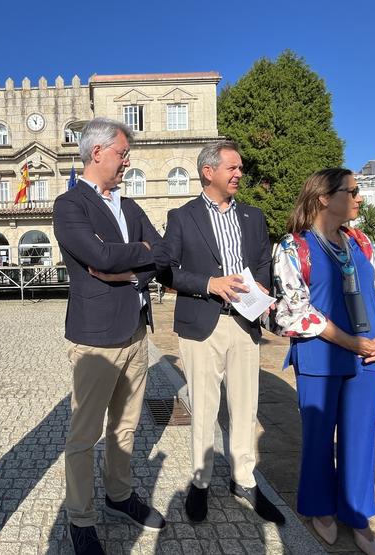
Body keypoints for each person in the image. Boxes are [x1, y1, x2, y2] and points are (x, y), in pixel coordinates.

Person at [272, 168, 375, 555]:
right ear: (325, 197)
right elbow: (293, 311)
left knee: (360, 438)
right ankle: (319, 508)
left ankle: (357, 513)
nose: (360, 198)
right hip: (321, 357)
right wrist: (351, 342)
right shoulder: (293, 247)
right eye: (353, 191)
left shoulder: (360, 242)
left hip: (368, 359)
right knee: (317, 438)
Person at [53, 117, 167, 554]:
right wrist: (133, 256)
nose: (127, 160)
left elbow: (160, 253)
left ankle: (119, 497)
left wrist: (126, 270)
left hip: (136, 333)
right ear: (97, 152)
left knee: (126, 426)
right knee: (84, 436)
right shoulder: (70, 205)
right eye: (122, 153)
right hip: (96, 338)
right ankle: (80, 520)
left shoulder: (129, 206)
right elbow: (95, 255)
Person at [160, 140, 285, 525]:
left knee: (246, 407)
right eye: (232, 167)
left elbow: (263, 262)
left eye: (240, 168)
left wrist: (263, 286)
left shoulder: (254, 216)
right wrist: (209, 283)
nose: (239, 174)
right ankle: (200, 483)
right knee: (205, 408)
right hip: (203, 323)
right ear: (208, 172)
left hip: (245, 323)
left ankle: (244, 479)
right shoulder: (182, 217)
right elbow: (167, 270)